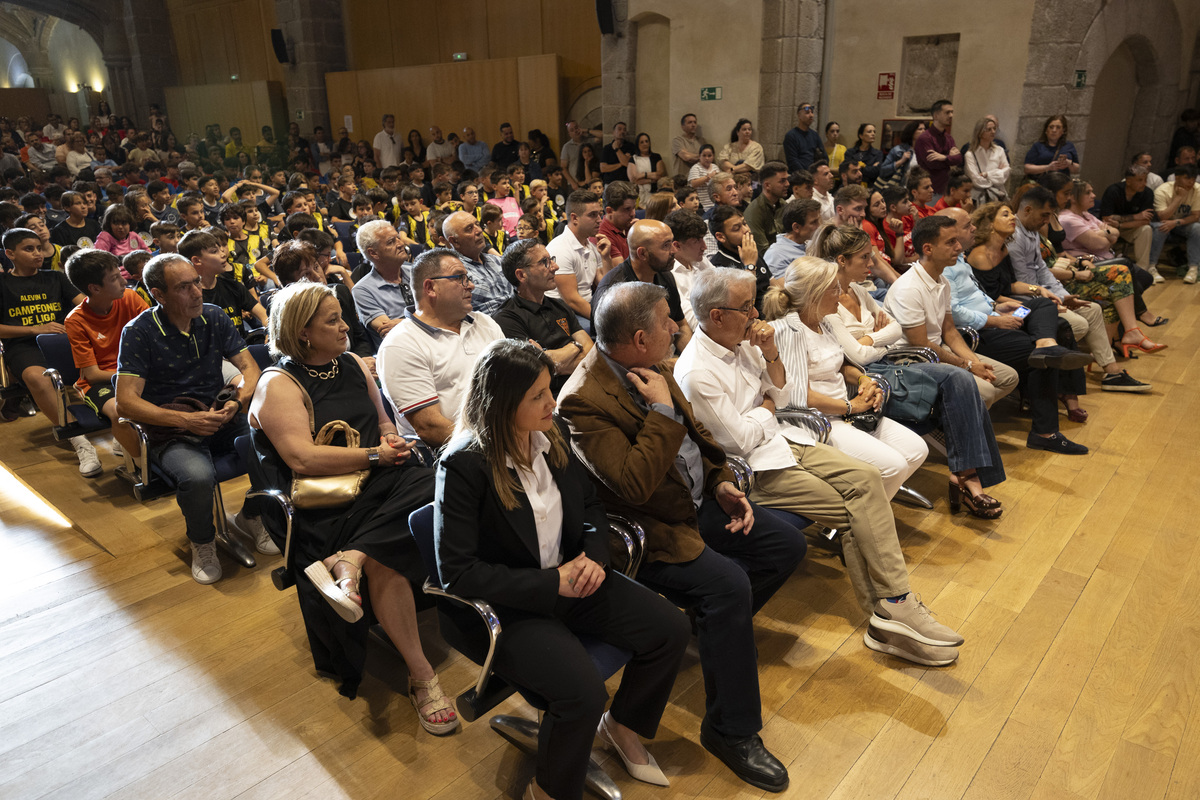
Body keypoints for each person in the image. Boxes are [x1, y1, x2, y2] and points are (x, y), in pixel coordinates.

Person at [558, 282, 803, 792]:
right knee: (728, 586)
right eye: (669, 320)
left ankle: (714, 633)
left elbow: (702, 444)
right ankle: (729, 730)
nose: (678, 326)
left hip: (696, 502)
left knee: (786, 545)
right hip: (650, 528)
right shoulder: (582, 400)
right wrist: (662, 413)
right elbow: (632, 483)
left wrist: (723, 483)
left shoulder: (655, 363)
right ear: (641, 337)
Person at [437, 338, 689, 800]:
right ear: (501, 404)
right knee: (581, 693)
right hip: (516, 604)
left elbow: (589, 507)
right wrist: (553, 581)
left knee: (670, 628)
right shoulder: (463, 465)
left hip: (574, 578)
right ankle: (549, 791)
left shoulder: (552, 436)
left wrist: (593, 556)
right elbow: (458, 573)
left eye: (548, 389)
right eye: (538, 396)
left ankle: (623, 726)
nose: (552, 401)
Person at [675, 268, 965, 666]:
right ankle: (892, 610)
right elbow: (737, 442)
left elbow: (779, 390)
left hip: (785, 440)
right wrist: (766, 409)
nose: (756, 313)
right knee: (853, 511)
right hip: (749, 471)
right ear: (716, 316)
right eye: (745, 307)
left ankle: (893, 610)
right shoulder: (697, 371)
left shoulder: (743, 340)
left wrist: (771, 361)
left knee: (867, 479)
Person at [248, 281, 456, 731]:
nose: (346, 325)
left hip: (379, 484)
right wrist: (377, 455)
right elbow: (302, 458)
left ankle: (351, 560)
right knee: (388, 561)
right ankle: (422, 676)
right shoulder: (277, 384)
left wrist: (389, 441)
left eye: (342, 315)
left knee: (446, 481)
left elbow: (382, 423)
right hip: (328, 503)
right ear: (302, 332)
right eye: (332, 320)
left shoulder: (350, 365)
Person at [805, 225, 1007, 513]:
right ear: (842, 261)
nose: (872, 264)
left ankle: (965, 475)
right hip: (864, 378)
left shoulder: (860, 293)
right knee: (955, 376)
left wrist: (870, 339)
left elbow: (893, 329)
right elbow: (855, 355)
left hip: (891, 363)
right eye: (864, 258)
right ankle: (969, 479)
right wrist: (878, 337)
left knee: (960, 379)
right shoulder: (829, 299)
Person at [115, 253, 272, 584]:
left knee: (272, 443)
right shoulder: (139, 332)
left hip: (219, 414)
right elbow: (126, 403)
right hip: (172, 428)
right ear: (158, 295)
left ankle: (250, 515)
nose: (198, 292)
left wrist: (238, 401)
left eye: (196, 282)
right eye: (184, 287)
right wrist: (185, 421)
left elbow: (249, 369)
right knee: (199, 478)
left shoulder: (213, 316)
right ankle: (202, 540)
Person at [759, 254, 928, 500]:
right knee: (895, 466)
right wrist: (851, 406)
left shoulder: (823, 322)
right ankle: (859, 521)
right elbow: (800, 397)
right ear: (814, 294)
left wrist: (863, 380)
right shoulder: (790, 330)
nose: (840, 293)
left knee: (916, 450)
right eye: (834, 289)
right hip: (820, 421)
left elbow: (841, 364)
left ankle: (865, 505)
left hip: (847, 414)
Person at [922, 210, 1090, 454]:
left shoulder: (959, 259)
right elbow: (955, 314)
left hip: (997, 315)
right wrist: (993, 319)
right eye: (967, 225)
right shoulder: (945, 267)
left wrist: (997, 306)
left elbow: (978, 296)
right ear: (950, 231)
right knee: (1039, 354)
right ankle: (1045, 432)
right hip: (981, 332)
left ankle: (1045, 343)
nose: (973, 229)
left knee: (1041, 305)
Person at [1008, 188, 1155, 392]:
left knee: (1093, 309)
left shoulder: (1031, 231)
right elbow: (1023, 282)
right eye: (1044, 215)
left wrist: (1064, 296)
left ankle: (1111, 372)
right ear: (1028, 210)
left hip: (1043, 295)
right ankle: (1054, 381)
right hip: (1023, 302)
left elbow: (1042, 271)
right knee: (1078, 324)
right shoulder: (1015, 236)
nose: (1046, 221)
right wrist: (1053, 301)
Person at [377, 248, 504, 448]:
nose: (470, 285)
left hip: (502, 436)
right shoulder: (401, 344)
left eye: (468, 278)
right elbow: (430, 427)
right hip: (454, 454)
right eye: (460, 278)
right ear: (430, 288)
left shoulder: (485, 323)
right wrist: (497, 445)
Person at [0, 229, 98, 473]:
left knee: (105, 364)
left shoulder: (56, 277)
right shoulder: (2, 284)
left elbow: (85, 306)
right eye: (28, 249)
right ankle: (79, 439)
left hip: (63, 339)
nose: (37, 253)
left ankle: (121, 429)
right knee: (38, 378)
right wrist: (34, 329)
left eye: (39, 248)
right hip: (23, 345)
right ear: (10, 253)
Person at [63, 248, 148, 463]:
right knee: (121, 413)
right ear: (95, 288)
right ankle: (141, 468)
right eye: (115, 278)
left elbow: (154, 337)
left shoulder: (130, 298)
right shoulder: (76, 320)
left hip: (137, 373)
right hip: (100, 383)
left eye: (120, 274)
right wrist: (133, 373)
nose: (123, 281)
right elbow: (91, 374)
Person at [493, 238, 593, 392]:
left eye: (551, 259)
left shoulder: (560, 305)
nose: (555, 267)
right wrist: (575, 347)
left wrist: (553, 360)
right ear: (521, 275)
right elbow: (535, 369)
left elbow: (590, 351)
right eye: (544, 262)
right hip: (550, 398)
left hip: (585, 384)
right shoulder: (506, 319)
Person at [593, 219, 694, 353]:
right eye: (666, 245)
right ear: (642, 254)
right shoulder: (615, 293)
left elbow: (681, 325)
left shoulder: (664, 275)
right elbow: (619, 354)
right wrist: (668, 366)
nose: (674, 250)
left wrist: (689, 360)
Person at [545, 189, 613, 321]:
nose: (600, 220)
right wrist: (603, 321)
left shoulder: (591, 247)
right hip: (564, 314)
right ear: (575, 218)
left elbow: (606, 286)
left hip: (587, 306)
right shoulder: (560, 249)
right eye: (593, 215)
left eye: (600, 214)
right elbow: (571, 300)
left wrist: (606, 258)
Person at [351, 219, 414, 350]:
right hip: (401, 352)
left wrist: (404, 322)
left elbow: (444, 312)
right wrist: (431, 319)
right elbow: (391, 332)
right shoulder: (363, 290)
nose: (401, 244)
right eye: (391, 242)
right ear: (373, 253)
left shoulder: (417, 272)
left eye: (398, 238)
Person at [443, 210, 511, 316]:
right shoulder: (451, 273)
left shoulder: (497, 260)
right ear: (455, 241)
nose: (479, 231)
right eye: (469, 229)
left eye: (477, 224)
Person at [707, 205, 773, 312]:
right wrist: (750, 265)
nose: (746, 230)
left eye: (745, 223)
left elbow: (772, 283)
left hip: (773, 312)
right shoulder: (718, 267)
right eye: (737, 228)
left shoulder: (750, 249)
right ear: (720, 236)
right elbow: (747, 306)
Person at [1150, 164, 1200, 284]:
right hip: (1161, 222)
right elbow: (1163, 216)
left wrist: (1176, 222)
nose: (1191, 182)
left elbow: (1195, 216)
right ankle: (1151, 266)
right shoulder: (1162, 191)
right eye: (1187, 178)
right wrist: (1179, 198)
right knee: (1161, 228)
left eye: (1193, 179)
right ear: (1177, 178)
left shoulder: (1197, 190)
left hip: (1180, 223)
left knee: (1197, 228)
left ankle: (1193, 268)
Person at [914, 100, 962, 197]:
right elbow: (933, 164)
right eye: (947, 112)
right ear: (936, 115)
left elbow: (959, 159)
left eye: (952, 112)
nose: (951, 115)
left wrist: (944, 158)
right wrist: (950, 158)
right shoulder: (925, 138)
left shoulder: (948, 137)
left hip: (946, 187)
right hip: (930, 190)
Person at [764, 199, 822, 278]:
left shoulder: (809, 244)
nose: (819, 226)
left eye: (818, 220)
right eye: (814, 222)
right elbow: (780, 288)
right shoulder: (776, 255)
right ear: (796, 227)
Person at [743, 161, 789, 251]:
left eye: (787, 179)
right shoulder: (754, 212)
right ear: (767, 185)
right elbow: (763, 251)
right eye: (782, 181)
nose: (787, 184)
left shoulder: (784, 205)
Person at [964, 117, 1010, 204]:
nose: (993, 132)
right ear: (980, 133)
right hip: (978, 197)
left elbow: (1005, 174)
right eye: (989, 129)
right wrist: (997, 174)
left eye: (994, 128)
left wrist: (987, 174)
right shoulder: (970, 154)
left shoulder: (999, 150)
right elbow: (976, 180)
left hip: (998, 195)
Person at [597, 181, 637, 262]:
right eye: (627, 209)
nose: (633, 214)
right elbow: (622, 273)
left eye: (634, 208)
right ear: (609, 211)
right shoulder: (602, 236)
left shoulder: (627, 227)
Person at [880, 120, 924, 189]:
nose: (924, 131)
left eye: (924, 129)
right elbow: (883, 171)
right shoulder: (898, 150)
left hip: (919, 190)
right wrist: (901, 161)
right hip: (902, 189)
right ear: (912, 132)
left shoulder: (926, 151)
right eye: (920, 129)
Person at [783, 102, 823, 172]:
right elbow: (792, 160)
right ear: (799, 115)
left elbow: (823, 155)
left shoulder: (815, 135)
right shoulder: (791, 136)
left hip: (813, 174)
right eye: (807, 113)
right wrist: (805, 174)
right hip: (798, 175)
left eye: (812, 112)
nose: (811, 115)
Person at [626, 133, 663, 205]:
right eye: (642, 142)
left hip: (654, 194)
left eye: (646, 141)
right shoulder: (633, 159)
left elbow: (659, 175)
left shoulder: (656, 157)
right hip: (639, 194)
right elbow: (633, 179)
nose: (645, 144)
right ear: (637, 144)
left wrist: (643, 175)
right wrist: (651, 179)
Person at [671, 113, 706, 177]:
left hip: (697, 179)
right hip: (682, 180)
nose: (693, 125)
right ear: (683, 126)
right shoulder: (678, 140)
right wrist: (702, 156)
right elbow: (686, 157)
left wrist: (697, 156)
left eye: (695, 122)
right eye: (690, 122)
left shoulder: (702, 141)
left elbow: (708, 159)